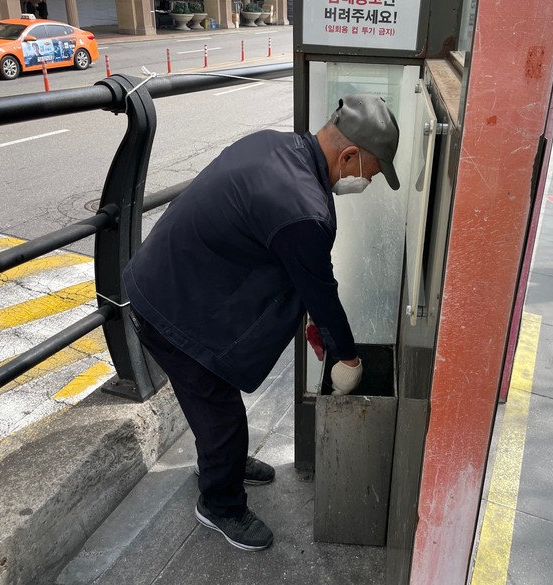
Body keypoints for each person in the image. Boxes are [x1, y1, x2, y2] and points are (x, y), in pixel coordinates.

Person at [123, 94, 401, 552]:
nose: (363, 183)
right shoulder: (303, 207)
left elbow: (289, 263)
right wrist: (348, 357)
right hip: (167, 304)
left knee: (215, 406)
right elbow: (320, 289)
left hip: (172, 277)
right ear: (349, 155)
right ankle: (220, 503)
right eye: (368, 174)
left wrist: (312, 323)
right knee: (222, 413)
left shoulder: (276, 146)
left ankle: (223, 463)